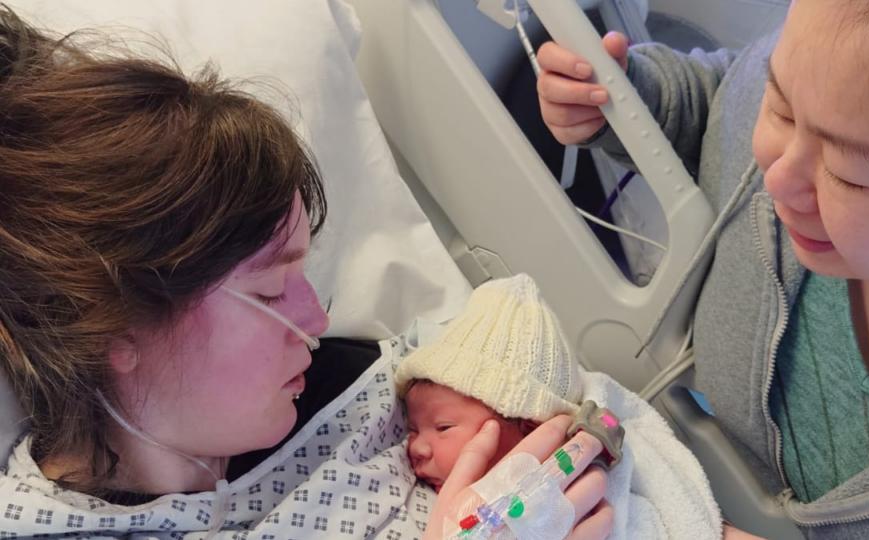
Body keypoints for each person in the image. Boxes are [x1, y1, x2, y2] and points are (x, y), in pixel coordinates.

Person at [0, 7, 611, 539]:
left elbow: (610, 428)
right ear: (119, 329)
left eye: (302, 273)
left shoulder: (374, 390)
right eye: (270, 290)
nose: (318, 318)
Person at [535, 0, 869, 537]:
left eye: (850, 175)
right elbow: (722, 103)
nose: (775, 177)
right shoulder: (815, 83)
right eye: (780, 107)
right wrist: (627, 101)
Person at [397, 273, 722, 539]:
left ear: (528, 426)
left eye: (443, 427)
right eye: (412, 429)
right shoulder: (432, 511)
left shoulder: (588, 487)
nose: (416, 447)